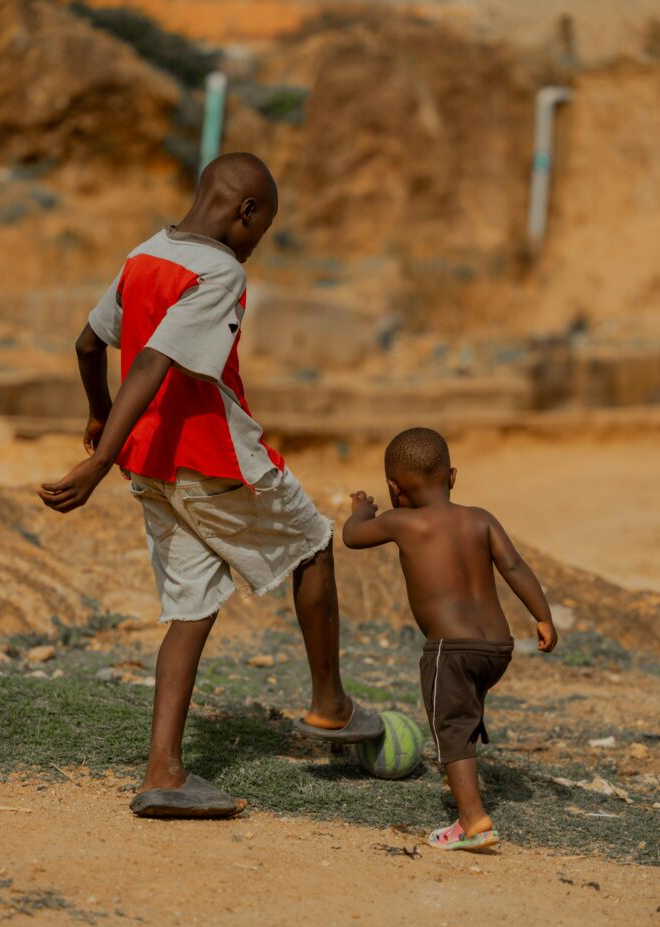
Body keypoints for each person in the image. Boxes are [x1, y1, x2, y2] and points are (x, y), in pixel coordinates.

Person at [38, 152, 382, 819]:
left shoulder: (144, 254)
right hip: (212, 459)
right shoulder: (219, 270)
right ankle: (330, 707)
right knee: (312, 544)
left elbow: (87, 343)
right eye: (262, 231)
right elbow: (157, 361)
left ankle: (164, 772)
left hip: (152, 467)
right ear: (245, 211)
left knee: (190, 606)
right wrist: (99, 459)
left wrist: (98, 414)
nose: (255, 247)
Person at [342, 426, 557, 850]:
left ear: (393, 487)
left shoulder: (402, 522)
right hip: (497, 647)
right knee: (464, 716)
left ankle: (472, 820)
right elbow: (514, 566)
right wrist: (543, 617)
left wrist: (362, 509)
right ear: (452, 477)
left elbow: (352, 537)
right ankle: (467, 783)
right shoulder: (480, 518)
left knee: (452, 729)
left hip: (450, 650)